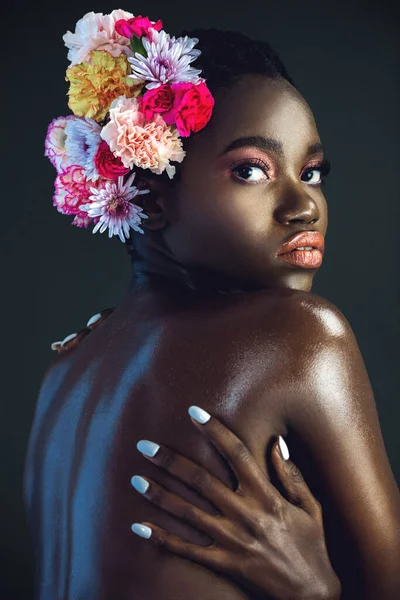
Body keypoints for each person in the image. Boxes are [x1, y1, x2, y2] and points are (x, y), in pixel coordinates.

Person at [23, 16, 400, 600]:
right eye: (252, 170)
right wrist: (311, 592)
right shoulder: (300, 336)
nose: (305, 206)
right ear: (147, 198)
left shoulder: (64, 373)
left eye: (313, 172)